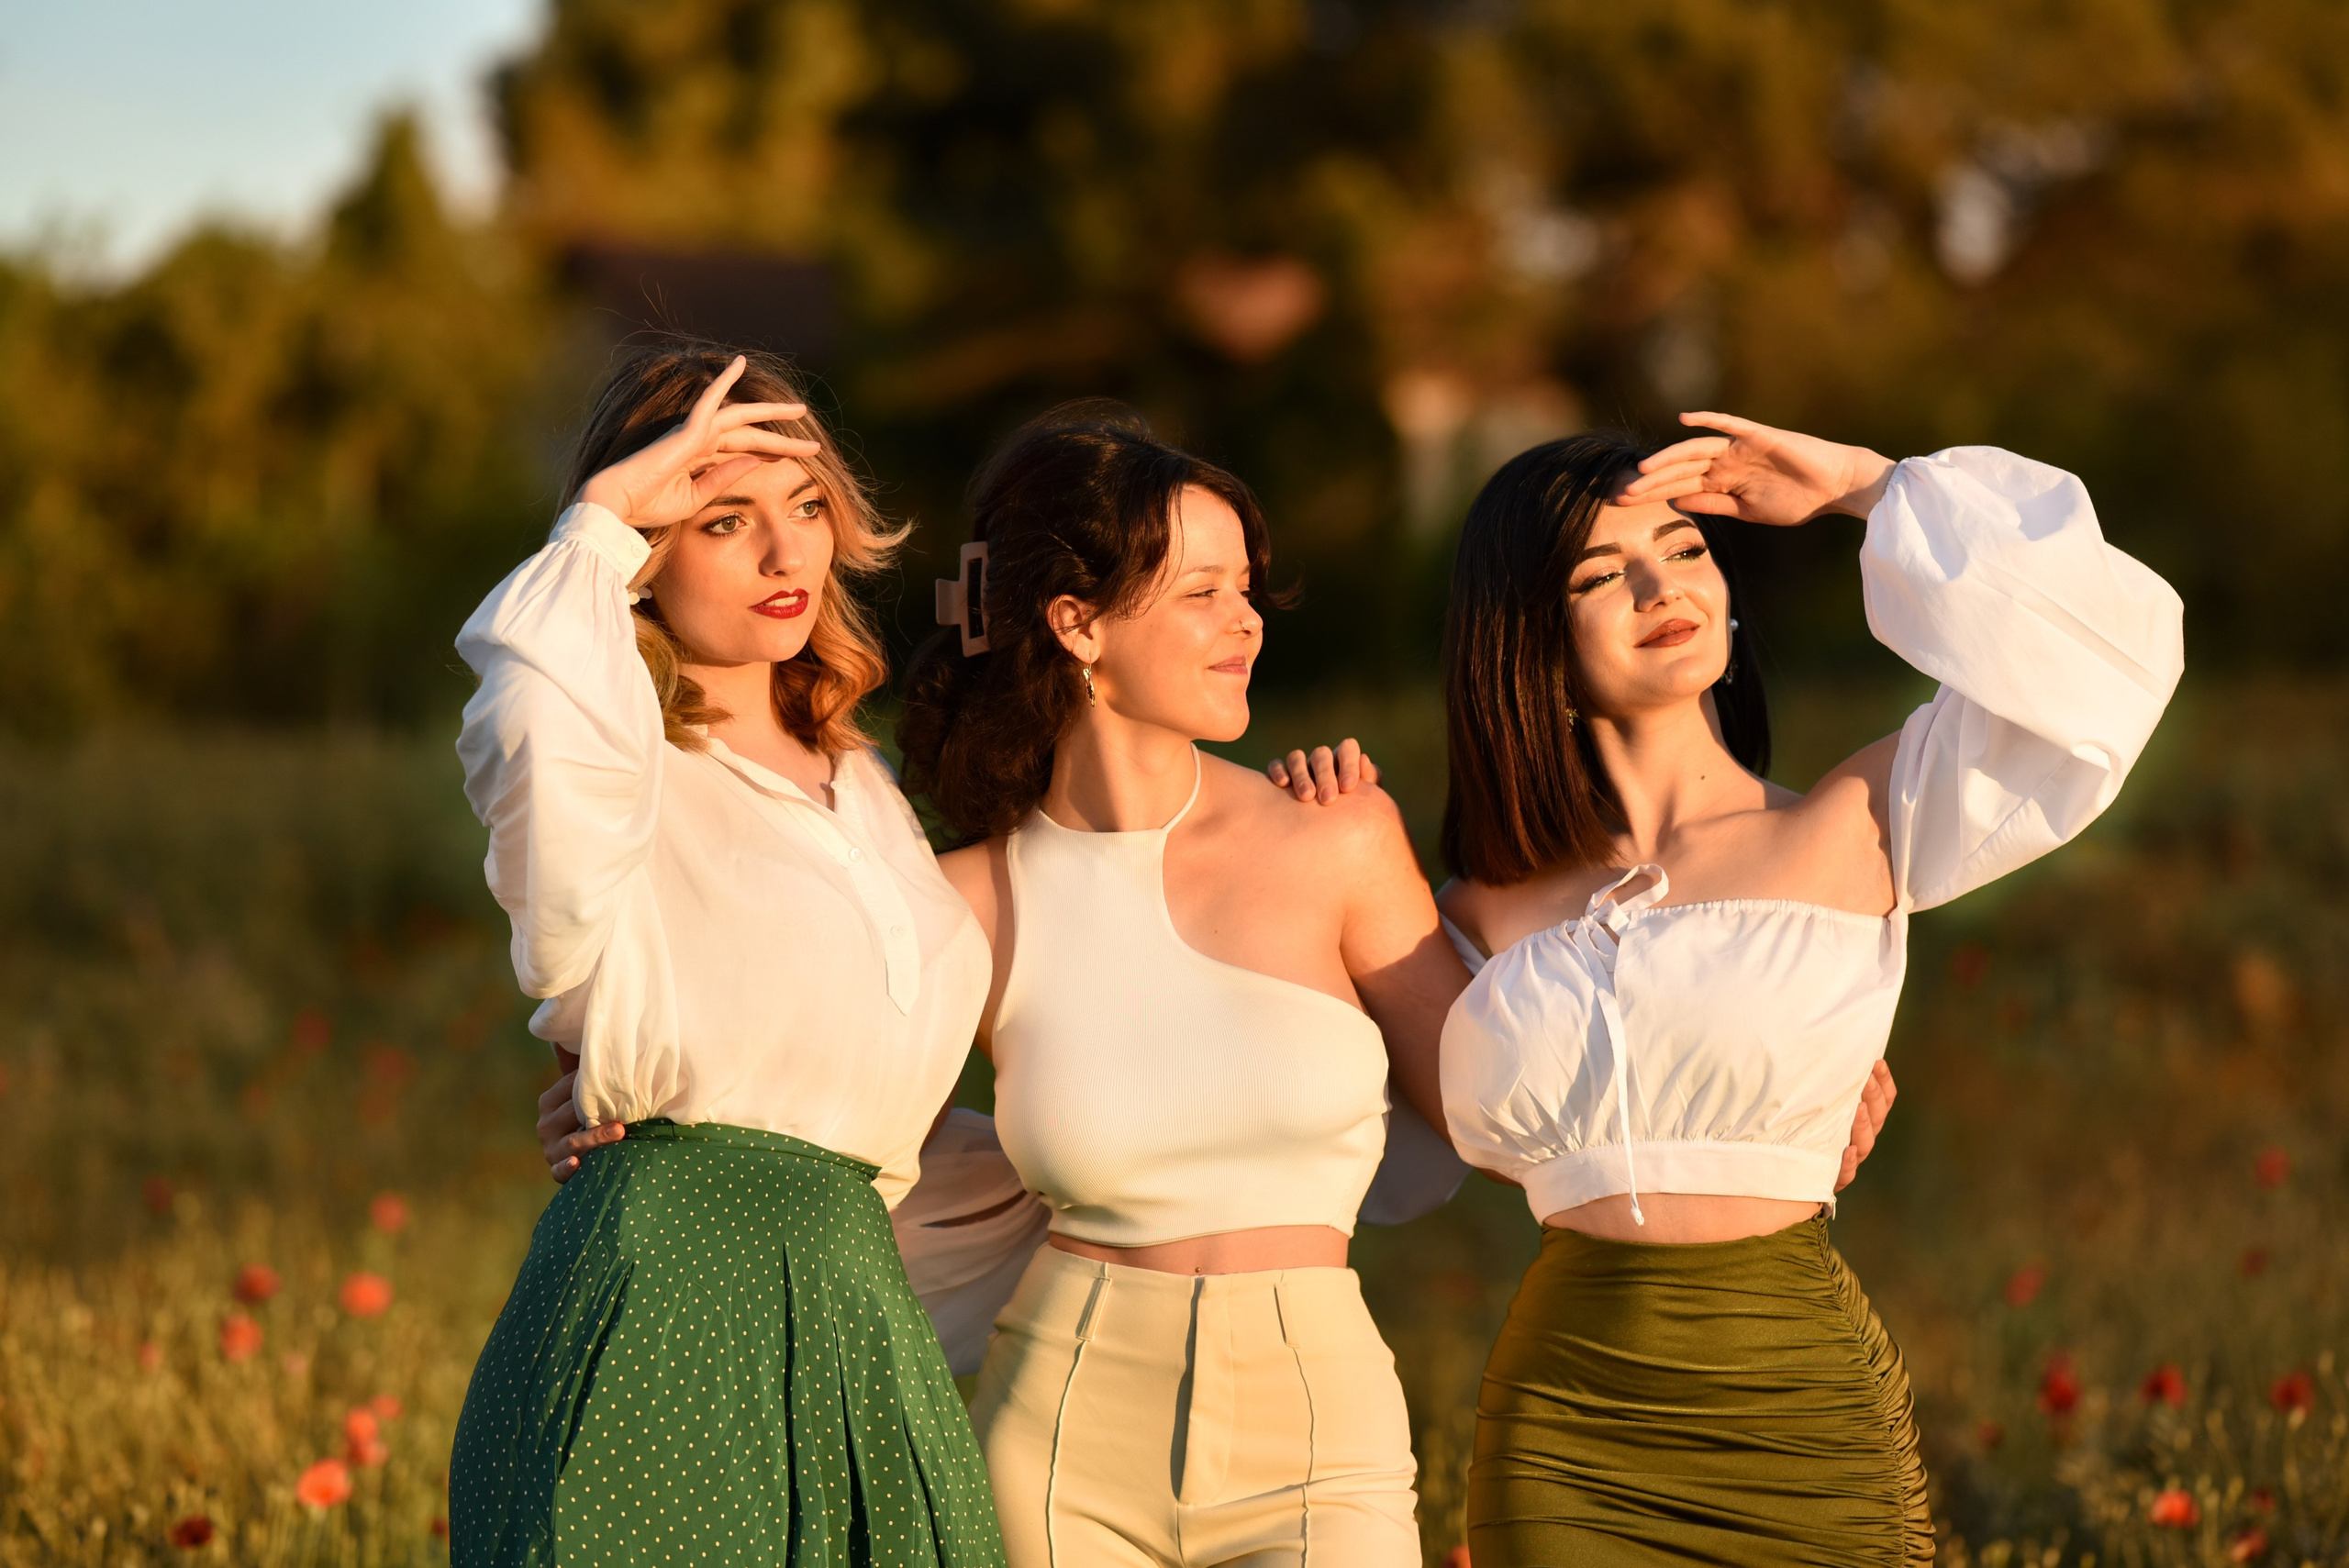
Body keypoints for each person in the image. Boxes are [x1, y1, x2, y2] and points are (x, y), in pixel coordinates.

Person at [1436, 413, 2185, 1565]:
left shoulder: (1857, 821)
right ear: (1523, 638)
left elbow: (2110, 664)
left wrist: (1860, 487)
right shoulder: (1477, 909)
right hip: (1565, 1437)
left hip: (1800, 1410)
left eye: (1684, 548)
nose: (1660, 586)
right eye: (1600, 573)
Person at [446, 347, 1006, 1567]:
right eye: (722, 518)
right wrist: (599, 519)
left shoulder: (870, 784)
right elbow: (533, 719)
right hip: (664, 1315)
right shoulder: (624, 771)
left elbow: (864, 1100)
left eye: (805, 505)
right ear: (647, 557)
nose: (785, 551)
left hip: (854, 1319)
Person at [894, 403, 1461, 1568]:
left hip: (1320, 1436)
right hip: (1056, 1439)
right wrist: (599, 1105)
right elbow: (807, 1121)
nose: (1246, 619)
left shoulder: (1337, 838)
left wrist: (1800, 1074)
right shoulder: (964, 902)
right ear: (1077, 622)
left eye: (1245, 588)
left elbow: (1509, 1094)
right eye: (1202, 590)